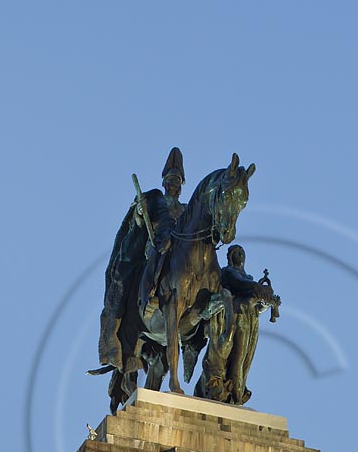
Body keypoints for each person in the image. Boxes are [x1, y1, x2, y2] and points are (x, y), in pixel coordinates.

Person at [95, 148, 186, 410]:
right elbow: (136, 220)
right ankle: (124, 320)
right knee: (132, 274)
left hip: (179, 262)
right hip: (154, 250)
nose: (173, 185)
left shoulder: (186, 208)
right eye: (170, 180)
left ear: (182, 184)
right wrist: (139, 213)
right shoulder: (155, 199)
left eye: (177, 181)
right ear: (164, 182)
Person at [198, 244, 280, 405]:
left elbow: (257, 306)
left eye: (242, 252)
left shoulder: (248, 278)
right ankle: (233, 391)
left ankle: (237, 389)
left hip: (251, 323)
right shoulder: (229, 273)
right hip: (234, 318)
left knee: (245, 360)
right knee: (236, 358)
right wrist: (259, 289)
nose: (240, 255)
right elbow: (240, 284)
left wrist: (268, 303)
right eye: (237, 252)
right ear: (230, 257)